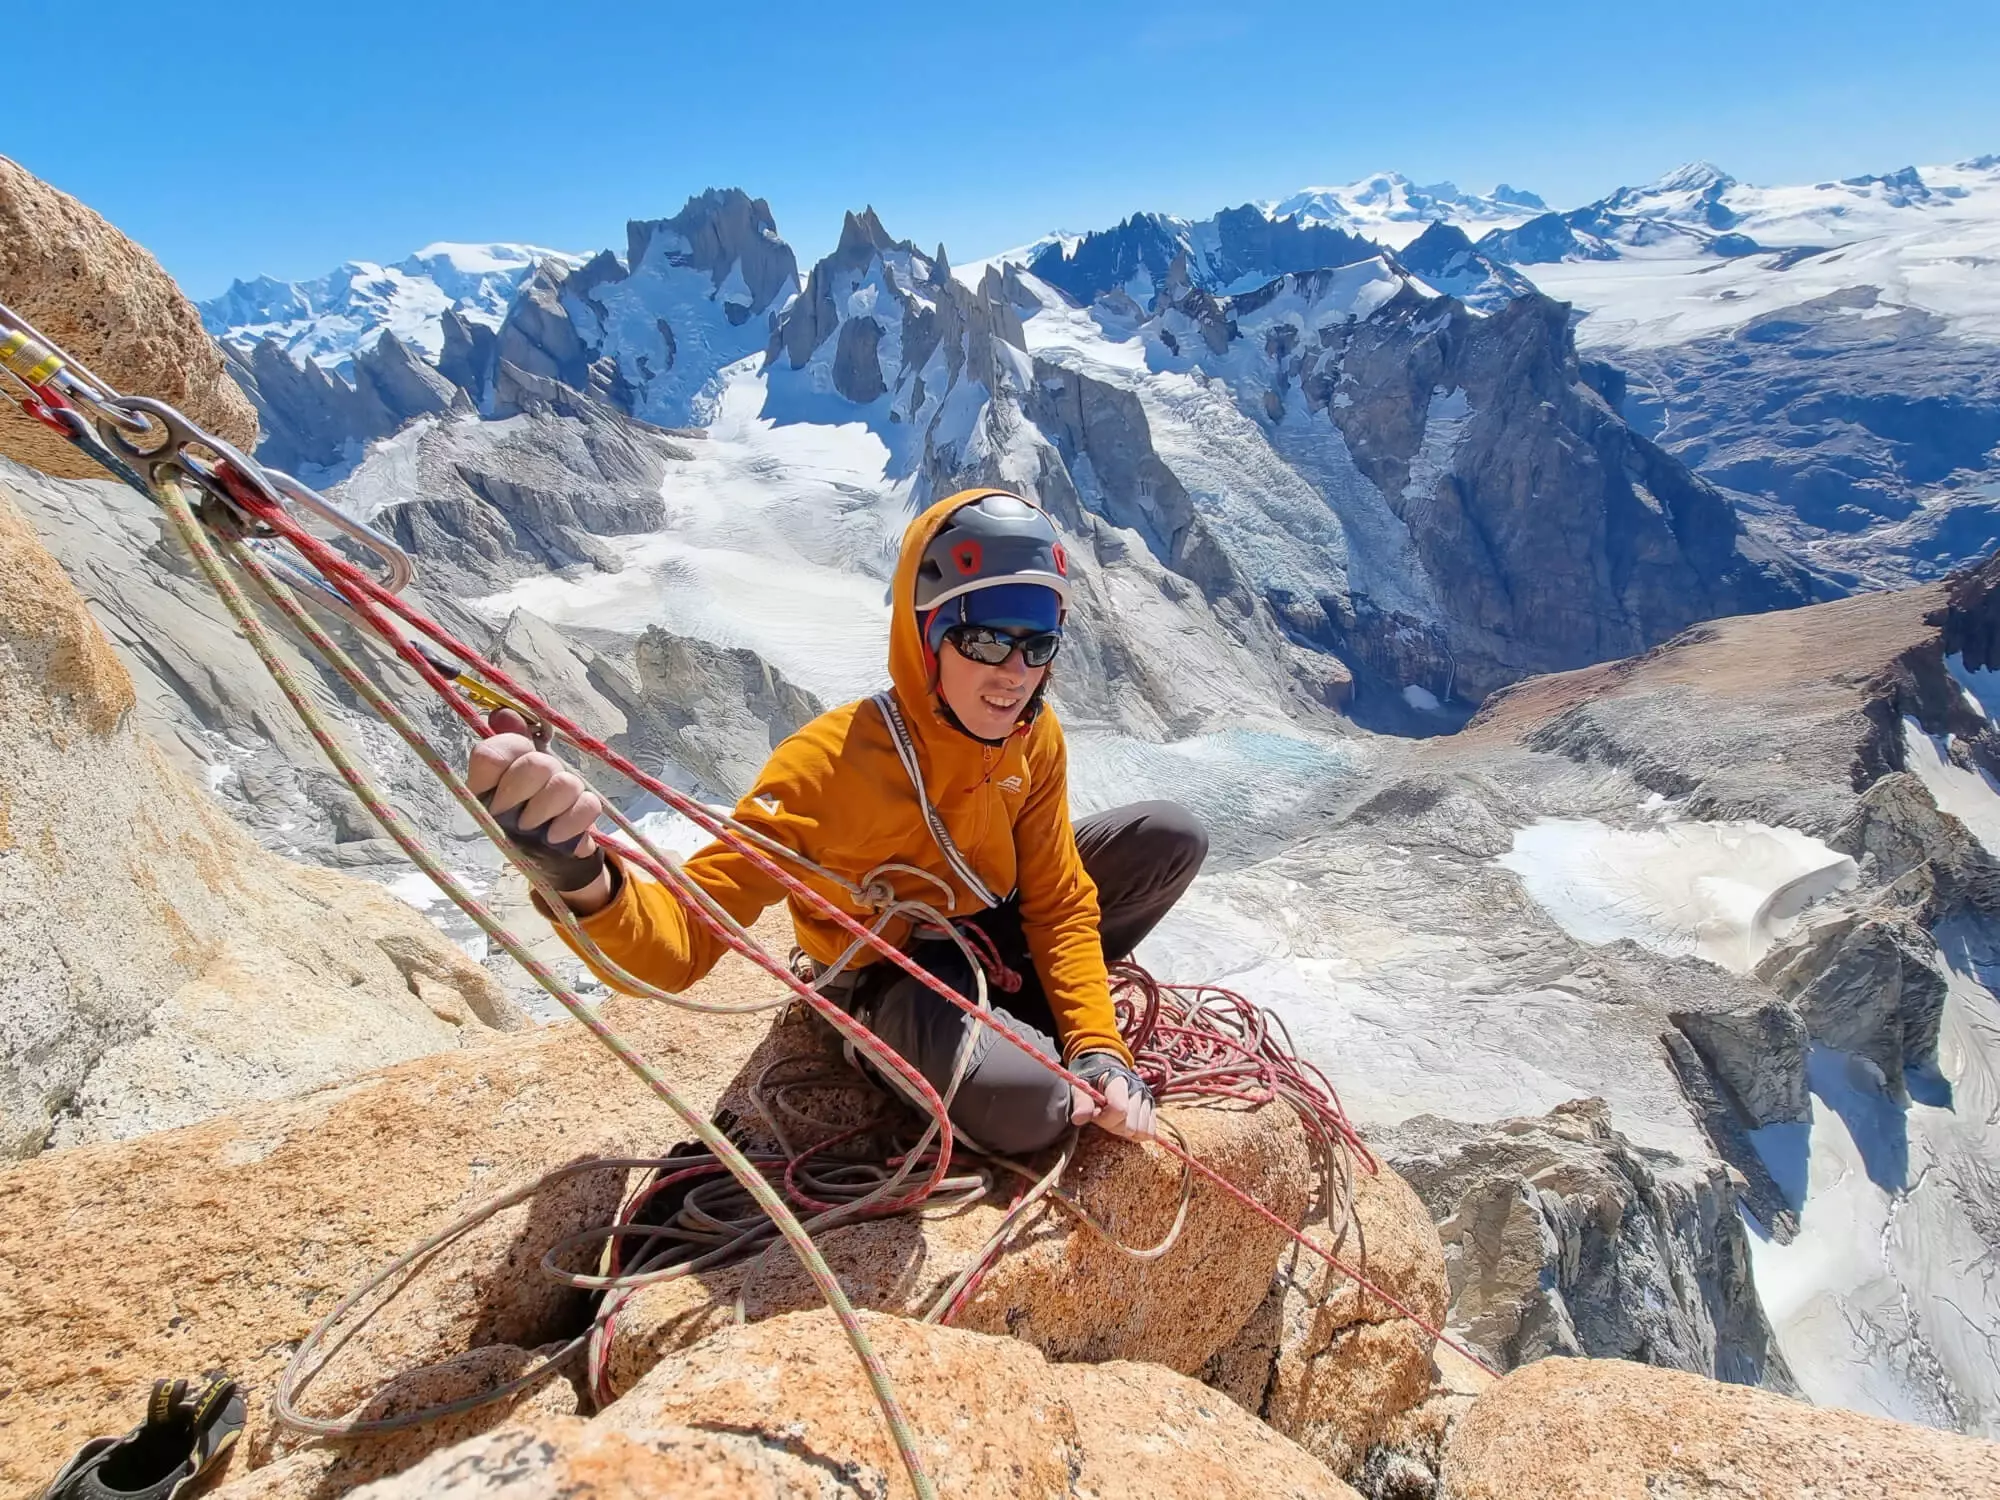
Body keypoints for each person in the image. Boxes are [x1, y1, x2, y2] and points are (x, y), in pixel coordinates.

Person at [465, 489, 1207, 1155]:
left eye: (1038, 642)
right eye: (985, 638)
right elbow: (687, 939)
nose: (1014, 671)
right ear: (927, 637)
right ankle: (902, 1043)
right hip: (891, 973)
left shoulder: (1030, 736)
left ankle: (1017, 1015)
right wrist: (581, 878)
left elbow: (1058, 899)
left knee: (1169, 838)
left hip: (994, 926)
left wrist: (1095, 1047)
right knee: (1037, 1112)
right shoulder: (826, 766)